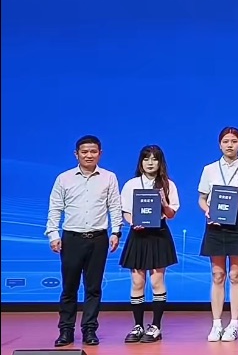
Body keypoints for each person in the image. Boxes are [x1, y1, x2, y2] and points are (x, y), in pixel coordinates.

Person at [46, 135, 122, 347]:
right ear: (76, 154)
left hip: (98, 239)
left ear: (100, 153)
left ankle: (89, 330)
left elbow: (114, 207)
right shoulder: (64, 178)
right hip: (71, 239)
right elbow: (55, 208)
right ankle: (66, 331)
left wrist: (116, 232)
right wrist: (53, 234)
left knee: (93, 288)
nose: (89, 155)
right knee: (69, 288)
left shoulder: (109, 177)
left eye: (93, 151)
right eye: (84, 151)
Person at [197, 126, 238, 342]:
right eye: (225, 141)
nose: (229, 145)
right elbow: (202, 198)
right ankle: (216, 324)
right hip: (215, 224)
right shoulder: (210, 169)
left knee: (235, 275)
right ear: (219, 144)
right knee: (217, 275)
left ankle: (233, 324)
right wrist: (207, 210)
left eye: (234, 141)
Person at [119, 145, 179, 344]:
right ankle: (137, 326)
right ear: (141, 162)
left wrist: (163, 202)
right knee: (137, 282)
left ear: (160, 162)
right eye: (146, 159)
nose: (150, 163)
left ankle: (155, 326)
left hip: (159, 234)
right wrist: (132, 223)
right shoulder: (131, 184)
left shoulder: (168, 185)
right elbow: (126, 211)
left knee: (156, 282)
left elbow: (171, 214)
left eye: (154, 159)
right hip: (137, 235)